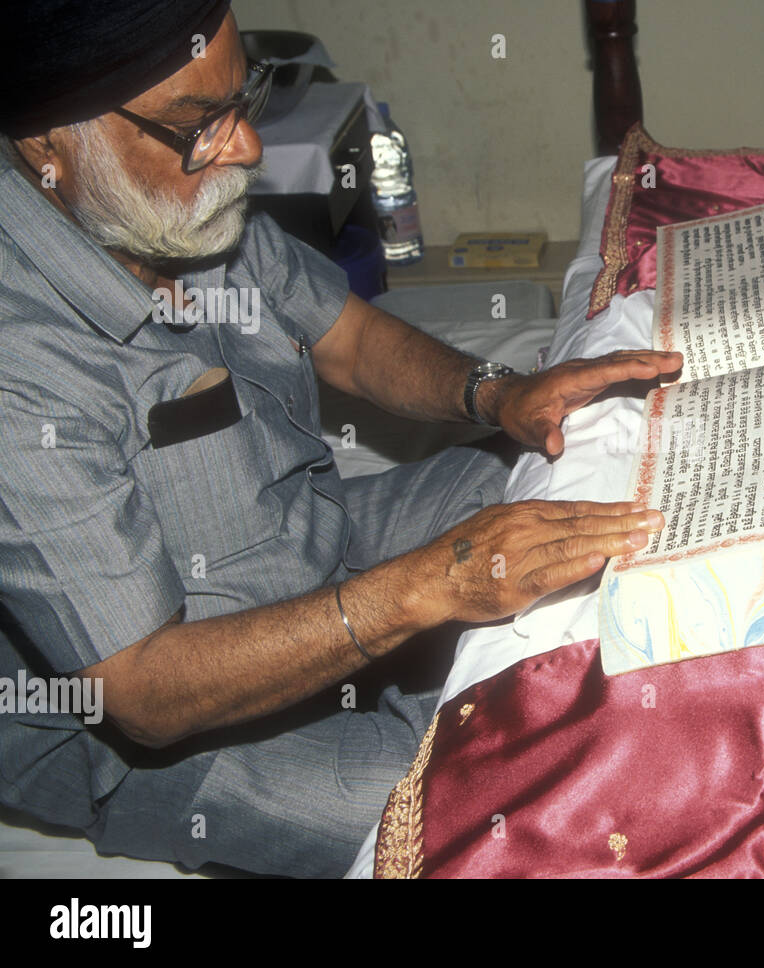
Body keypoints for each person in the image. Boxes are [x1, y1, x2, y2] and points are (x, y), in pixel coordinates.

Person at [0, 0, 679, 877]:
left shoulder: (166, 198)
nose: (243, 149)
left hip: (314, 541)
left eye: (244, 102)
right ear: (47, 144)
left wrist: (501, 393)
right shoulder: (20, 362)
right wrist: (427, 588)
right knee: (503, 800)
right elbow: (141, 692)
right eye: (199, 125)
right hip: (163, 722)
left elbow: (351, 340)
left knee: (583, 462)